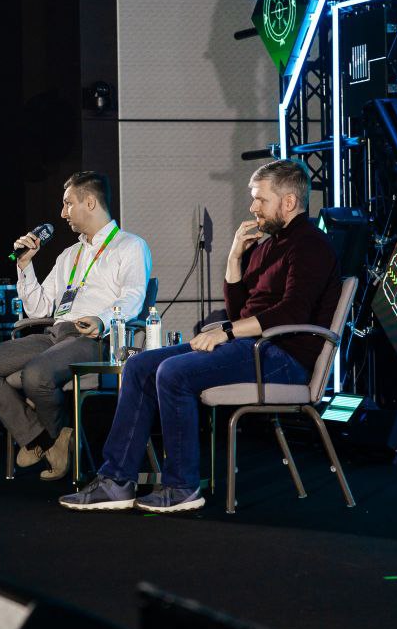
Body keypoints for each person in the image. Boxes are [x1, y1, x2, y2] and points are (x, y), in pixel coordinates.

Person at [60, 159, 340, 513]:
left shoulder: (311, 245)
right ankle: (116, 481)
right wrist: (235, 258)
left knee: (174, 373)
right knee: (139, 366)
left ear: (288, 202)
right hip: (253, 348)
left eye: (260, 199)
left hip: (285, 359)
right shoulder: (268, 246)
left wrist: (226, 332)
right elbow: (241, 312)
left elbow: (291, 314)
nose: (252, 207)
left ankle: (181, 488)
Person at [0, 172, 151, 480]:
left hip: (95, 338)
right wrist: (25, 265)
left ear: (90, 202)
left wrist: (102, 319)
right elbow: (38, 308)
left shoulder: (130, 246)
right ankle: (46, 439)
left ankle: (52, 440)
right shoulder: (69, 255)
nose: (63, 213)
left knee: (35, 374)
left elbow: (134, 296)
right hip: (54, 335)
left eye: (68, 204)